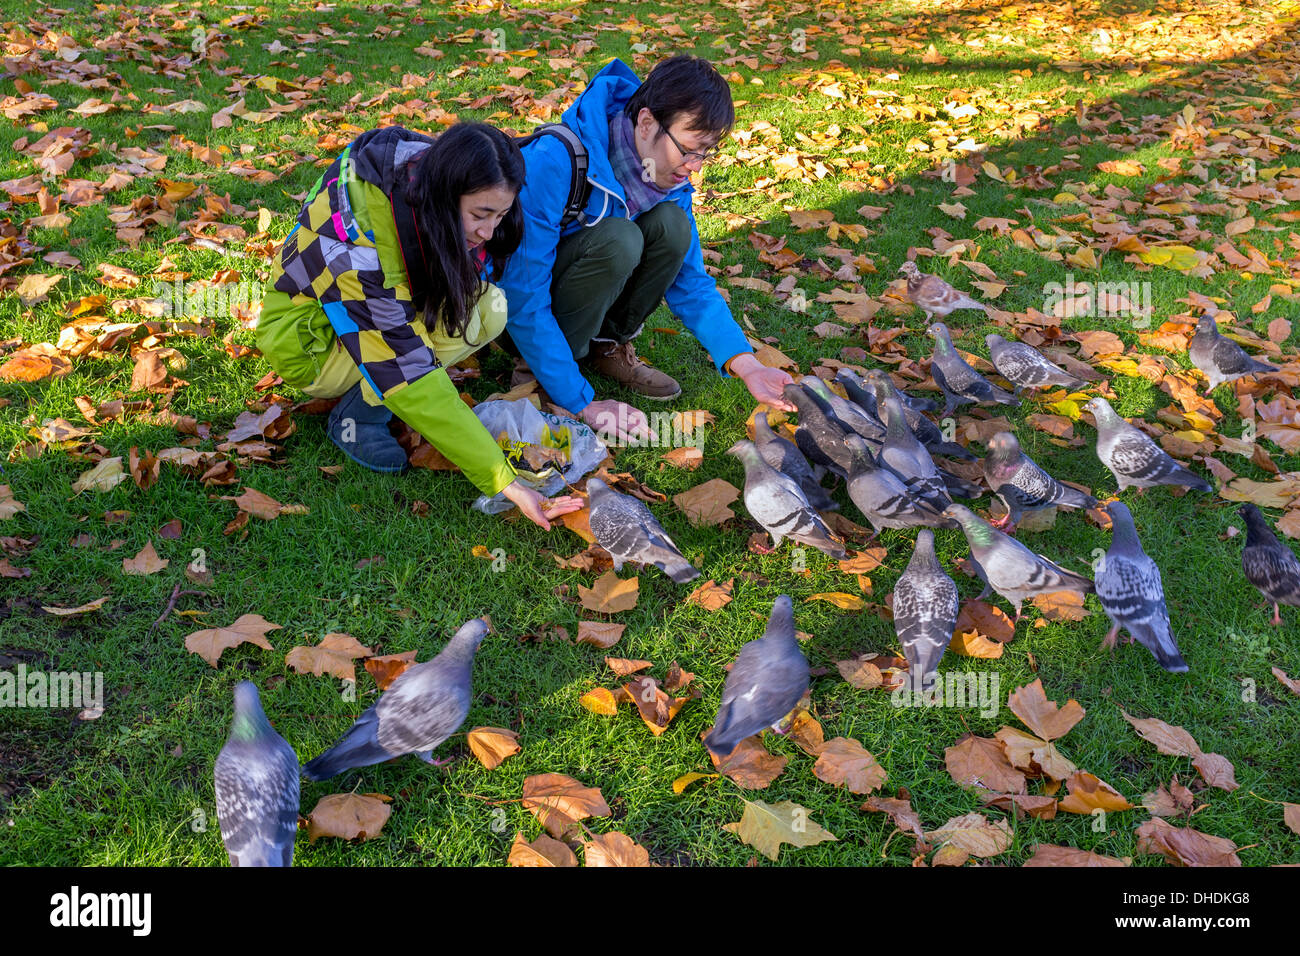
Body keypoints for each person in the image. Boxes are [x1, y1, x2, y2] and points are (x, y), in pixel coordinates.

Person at [256, 122, 583, 529]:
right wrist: (504, 480)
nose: (488, 231)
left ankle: (378, 392)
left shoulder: (421, 170)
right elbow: (410, 373)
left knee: (488, 308)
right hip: (310, 347)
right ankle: (359, 416)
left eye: (499, 214)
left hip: (371, 308)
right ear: (446, 195)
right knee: (423, 355)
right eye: (481, 215)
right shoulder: (355, 247)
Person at [499, 55, 797, 444]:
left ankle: (603, 347)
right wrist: (581, 402)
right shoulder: (555, 162)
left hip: (573, 297)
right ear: (645, 122)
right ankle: (542, 375)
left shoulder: (668, 180)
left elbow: (691, 284)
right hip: (513, 318)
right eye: (689, 150)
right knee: (620, 239)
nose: (695, 167)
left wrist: (747, 364)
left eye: (705, 153)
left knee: (672, 229)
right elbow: (523, 295)